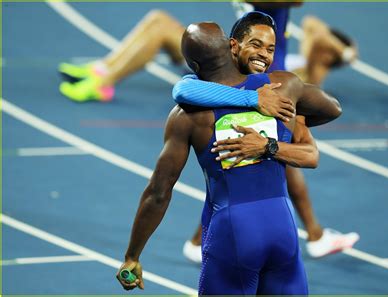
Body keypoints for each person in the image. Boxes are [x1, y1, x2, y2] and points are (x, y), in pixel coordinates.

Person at [116, 22, 341, 294]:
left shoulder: (187, 115)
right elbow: (332, 108)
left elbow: (158, 193)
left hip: (233, 231)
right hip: (282, 225)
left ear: (193, 67)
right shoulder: (282, 86)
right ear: (232, 47)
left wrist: (132, 255)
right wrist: (295, 120)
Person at [176, 11, 359, 263]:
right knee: (237, 179)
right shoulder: (220, 79)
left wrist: (295, 120)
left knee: (260, 171)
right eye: (256, 44)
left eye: (269, 47)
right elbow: (183, 88)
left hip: (274, 93)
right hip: (261, 93)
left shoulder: (279, 84)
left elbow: (331, 110)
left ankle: (314, 235)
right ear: (233, 46)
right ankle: (314, 235)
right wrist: (253, 99)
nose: (264, 52)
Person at [57, 4, 357, 101]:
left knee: (161, 26)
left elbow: (317, 33)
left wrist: (346, 52)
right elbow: (313, 24)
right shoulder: (299, 50)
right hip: (232, 53)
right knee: (158, 20)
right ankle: (103, 68)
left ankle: (103, 82)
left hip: (234, 68)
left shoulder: (314, 68)